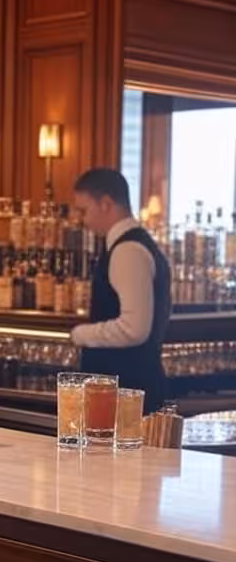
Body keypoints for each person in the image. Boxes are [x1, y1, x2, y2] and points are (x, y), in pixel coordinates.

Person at [70, 168, 171, 413]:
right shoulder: (131, 244)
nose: (82, 220)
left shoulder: (128, 251)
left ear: (106, 203)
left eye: (84, 210)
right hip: (130, 386)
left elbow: (134, 329)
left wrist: (80, 334)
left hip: (127, 389)